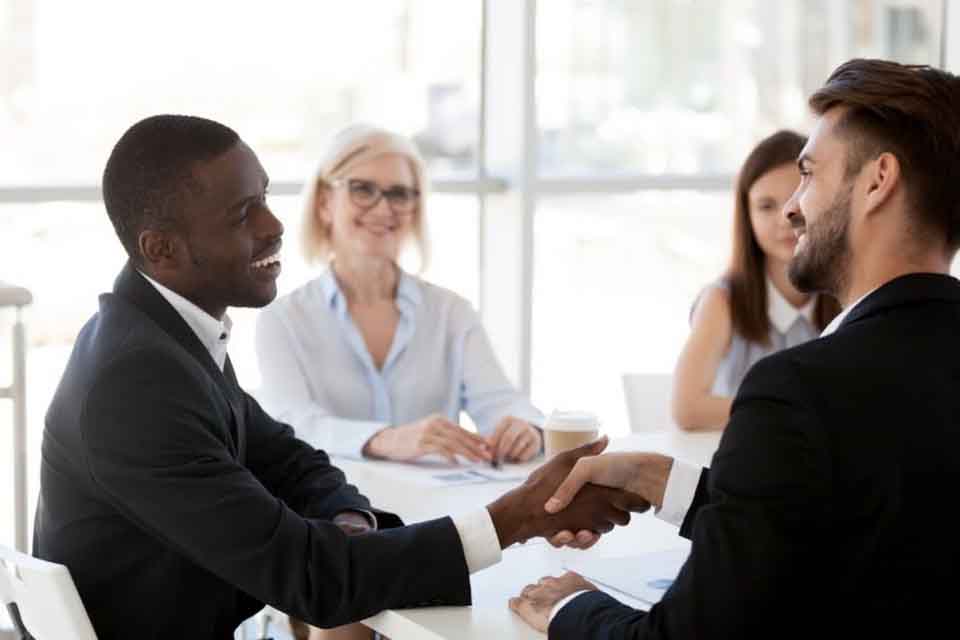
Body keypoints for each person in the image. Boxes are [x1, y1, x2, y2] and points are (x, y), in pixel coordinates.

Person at [31, 115, 648, 640]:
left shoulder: (165, 339)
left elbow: (291, 460)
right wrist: (516, 517)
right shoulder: (137, 382)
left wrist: (348, 525)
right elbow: (316, 581)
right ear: (161, 249)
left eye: (266, 198)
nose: (273, 226)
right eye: (244, 213)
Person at [510, 58, 960, 638]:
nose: (795, 206)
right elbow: (870, 528)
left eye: (809, 174)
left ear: (877, 181)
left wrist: (571, 608)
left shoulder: (798, 389)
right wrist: (669, 484)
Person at [255, 125, 543, 467]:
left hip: (436, 508)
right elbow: (292, 426)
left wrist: (526, 429)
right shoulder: (282, 320)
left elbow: (502, 402)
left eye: (399, 194)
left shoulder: (451, 313)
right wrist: (385, 440)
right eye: (363, 189)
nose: (383, 208)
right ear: (324, 203)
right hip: (335, 514)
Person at [671, 130, 840, 431]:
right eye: (766, 206)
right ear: (746, 216)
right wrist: (796, 413)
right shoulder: (723, 301)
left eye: (798, 198)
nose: (785, 217)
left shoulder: (846, 296)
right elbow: (687, 408)